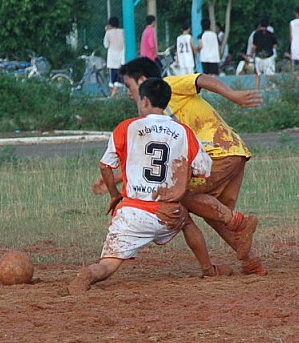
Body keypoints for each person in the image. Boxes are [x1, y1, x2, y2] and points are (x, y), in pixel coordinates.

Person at [70, 77, 221, 295]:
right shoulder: (183, 131)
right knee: (187, 221)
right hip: (168, 213)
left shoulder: (127, 127)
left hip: (132, 214)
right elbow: (204, 170)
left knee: (107, 265)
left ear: (146, 101)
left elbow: (105, 166)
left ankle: (89, 275)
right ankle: (208, 269)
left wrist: (114, 194)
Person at [119, 56, 266, 275]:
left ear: (142, 81)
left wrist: (232, 95)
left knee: (181, 195)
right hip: (232, 151)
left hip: (218, 152)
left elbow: (200, 79)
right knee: (215, 212)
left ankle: (241, 224)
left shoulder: (168, 85)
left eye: (128, 86)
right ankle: (252, 263)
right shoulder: (155, 117)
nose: (129, 93)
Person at [103, 17, 125, 98]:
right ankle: (113, 95)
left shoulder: (108, 33)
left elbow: (106, 45)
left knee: (112, 78)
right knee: (120, 77)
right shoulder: (122, 31)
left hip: (112, 58)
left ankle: (112, 95)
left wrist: (106, 31)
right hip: (121, 57)